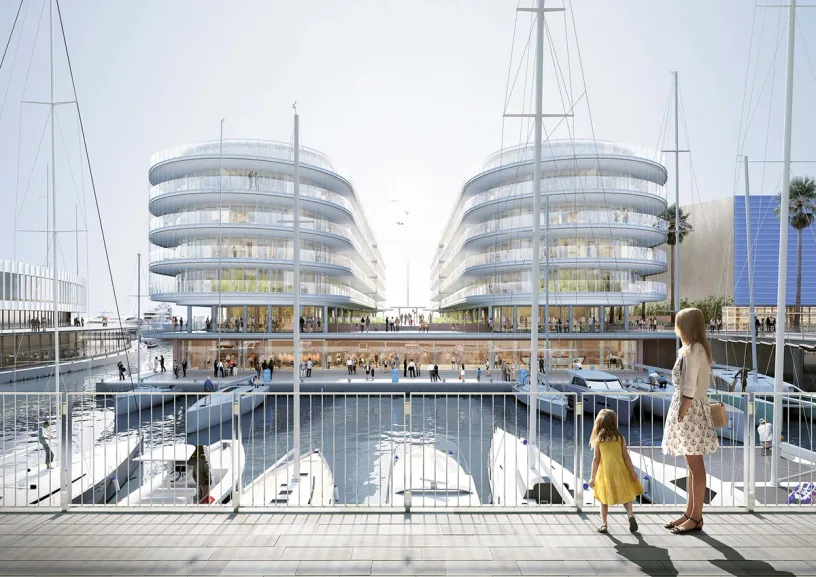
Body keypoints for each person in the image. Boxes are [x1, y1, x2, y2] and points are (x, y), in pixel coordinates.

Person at [661, 307, 718, 534]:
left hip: (690, 412)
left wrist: (680, 417)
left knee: (695, 466)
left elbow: (689, 389)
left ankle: (695, 517)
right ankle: (690, 514)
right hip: (692, 411)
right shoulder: (695, 349)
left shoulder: (692, 351)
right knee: (692, 466)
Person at [588, 409, 642, 534]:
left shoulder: (599, 439)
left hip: (605, 472)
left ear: (599, 423)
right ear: (614, 422)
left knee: (603, 499)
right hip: (620, 470)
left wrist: (592, 477)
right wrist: (632, 472)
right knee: (626, 495)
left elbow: (596, 460)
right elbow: (626, 457)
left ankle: (604, 524)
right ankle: (630, 514)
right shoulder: (619, 438)